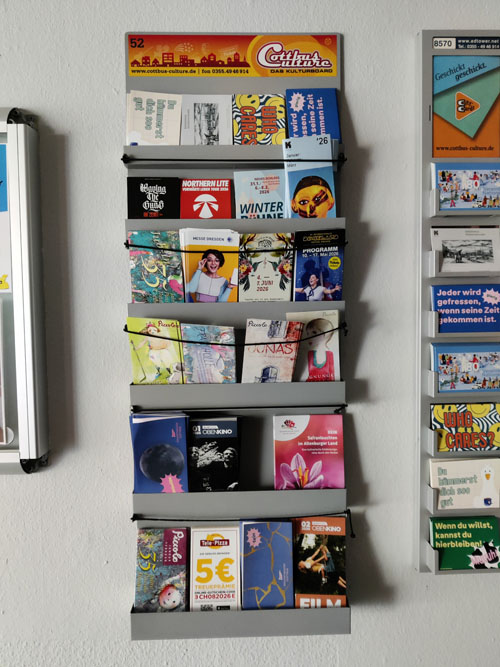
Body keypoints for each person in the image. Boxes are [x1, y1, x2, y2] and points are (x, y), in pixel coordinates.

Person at [303, 318, 336, 382]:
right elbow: (310, 375)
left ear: (326, 334)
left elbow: (332, 377)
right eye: (308, 333)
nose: (309, 337)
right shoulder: (310, 353)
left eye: (314, 332)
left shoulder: (330, 355)